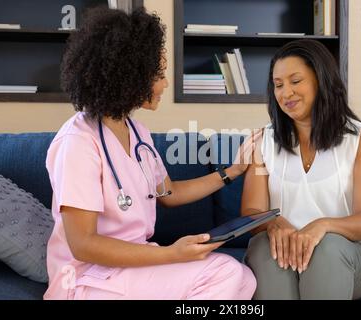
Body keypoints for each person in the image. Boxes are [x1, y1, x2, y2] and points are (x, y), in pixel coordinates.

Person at [44, 7, 257, 300]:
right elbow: (83, 244)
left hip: (128, 269)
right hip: (86, 277)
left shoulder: (137, 132)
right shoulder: (78, 141)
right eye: (158, 74)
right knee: (226, 273)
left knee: (244, 279)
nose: (165, 83)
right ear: (128, 75)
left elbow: (168, 193)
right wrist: (172, 254)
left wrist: (230, 172)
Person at [242, 40, 361, 300]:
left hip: (354, 253)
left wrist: (321, 226)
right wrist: (273, 222)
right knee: (262, 247)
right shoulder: (262, 141)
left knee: (326, 248)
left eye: (295, 81)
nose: (286, 93)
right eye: (278, 85)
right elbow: (252, 212)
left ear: (321, 80)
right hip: (286, 254)